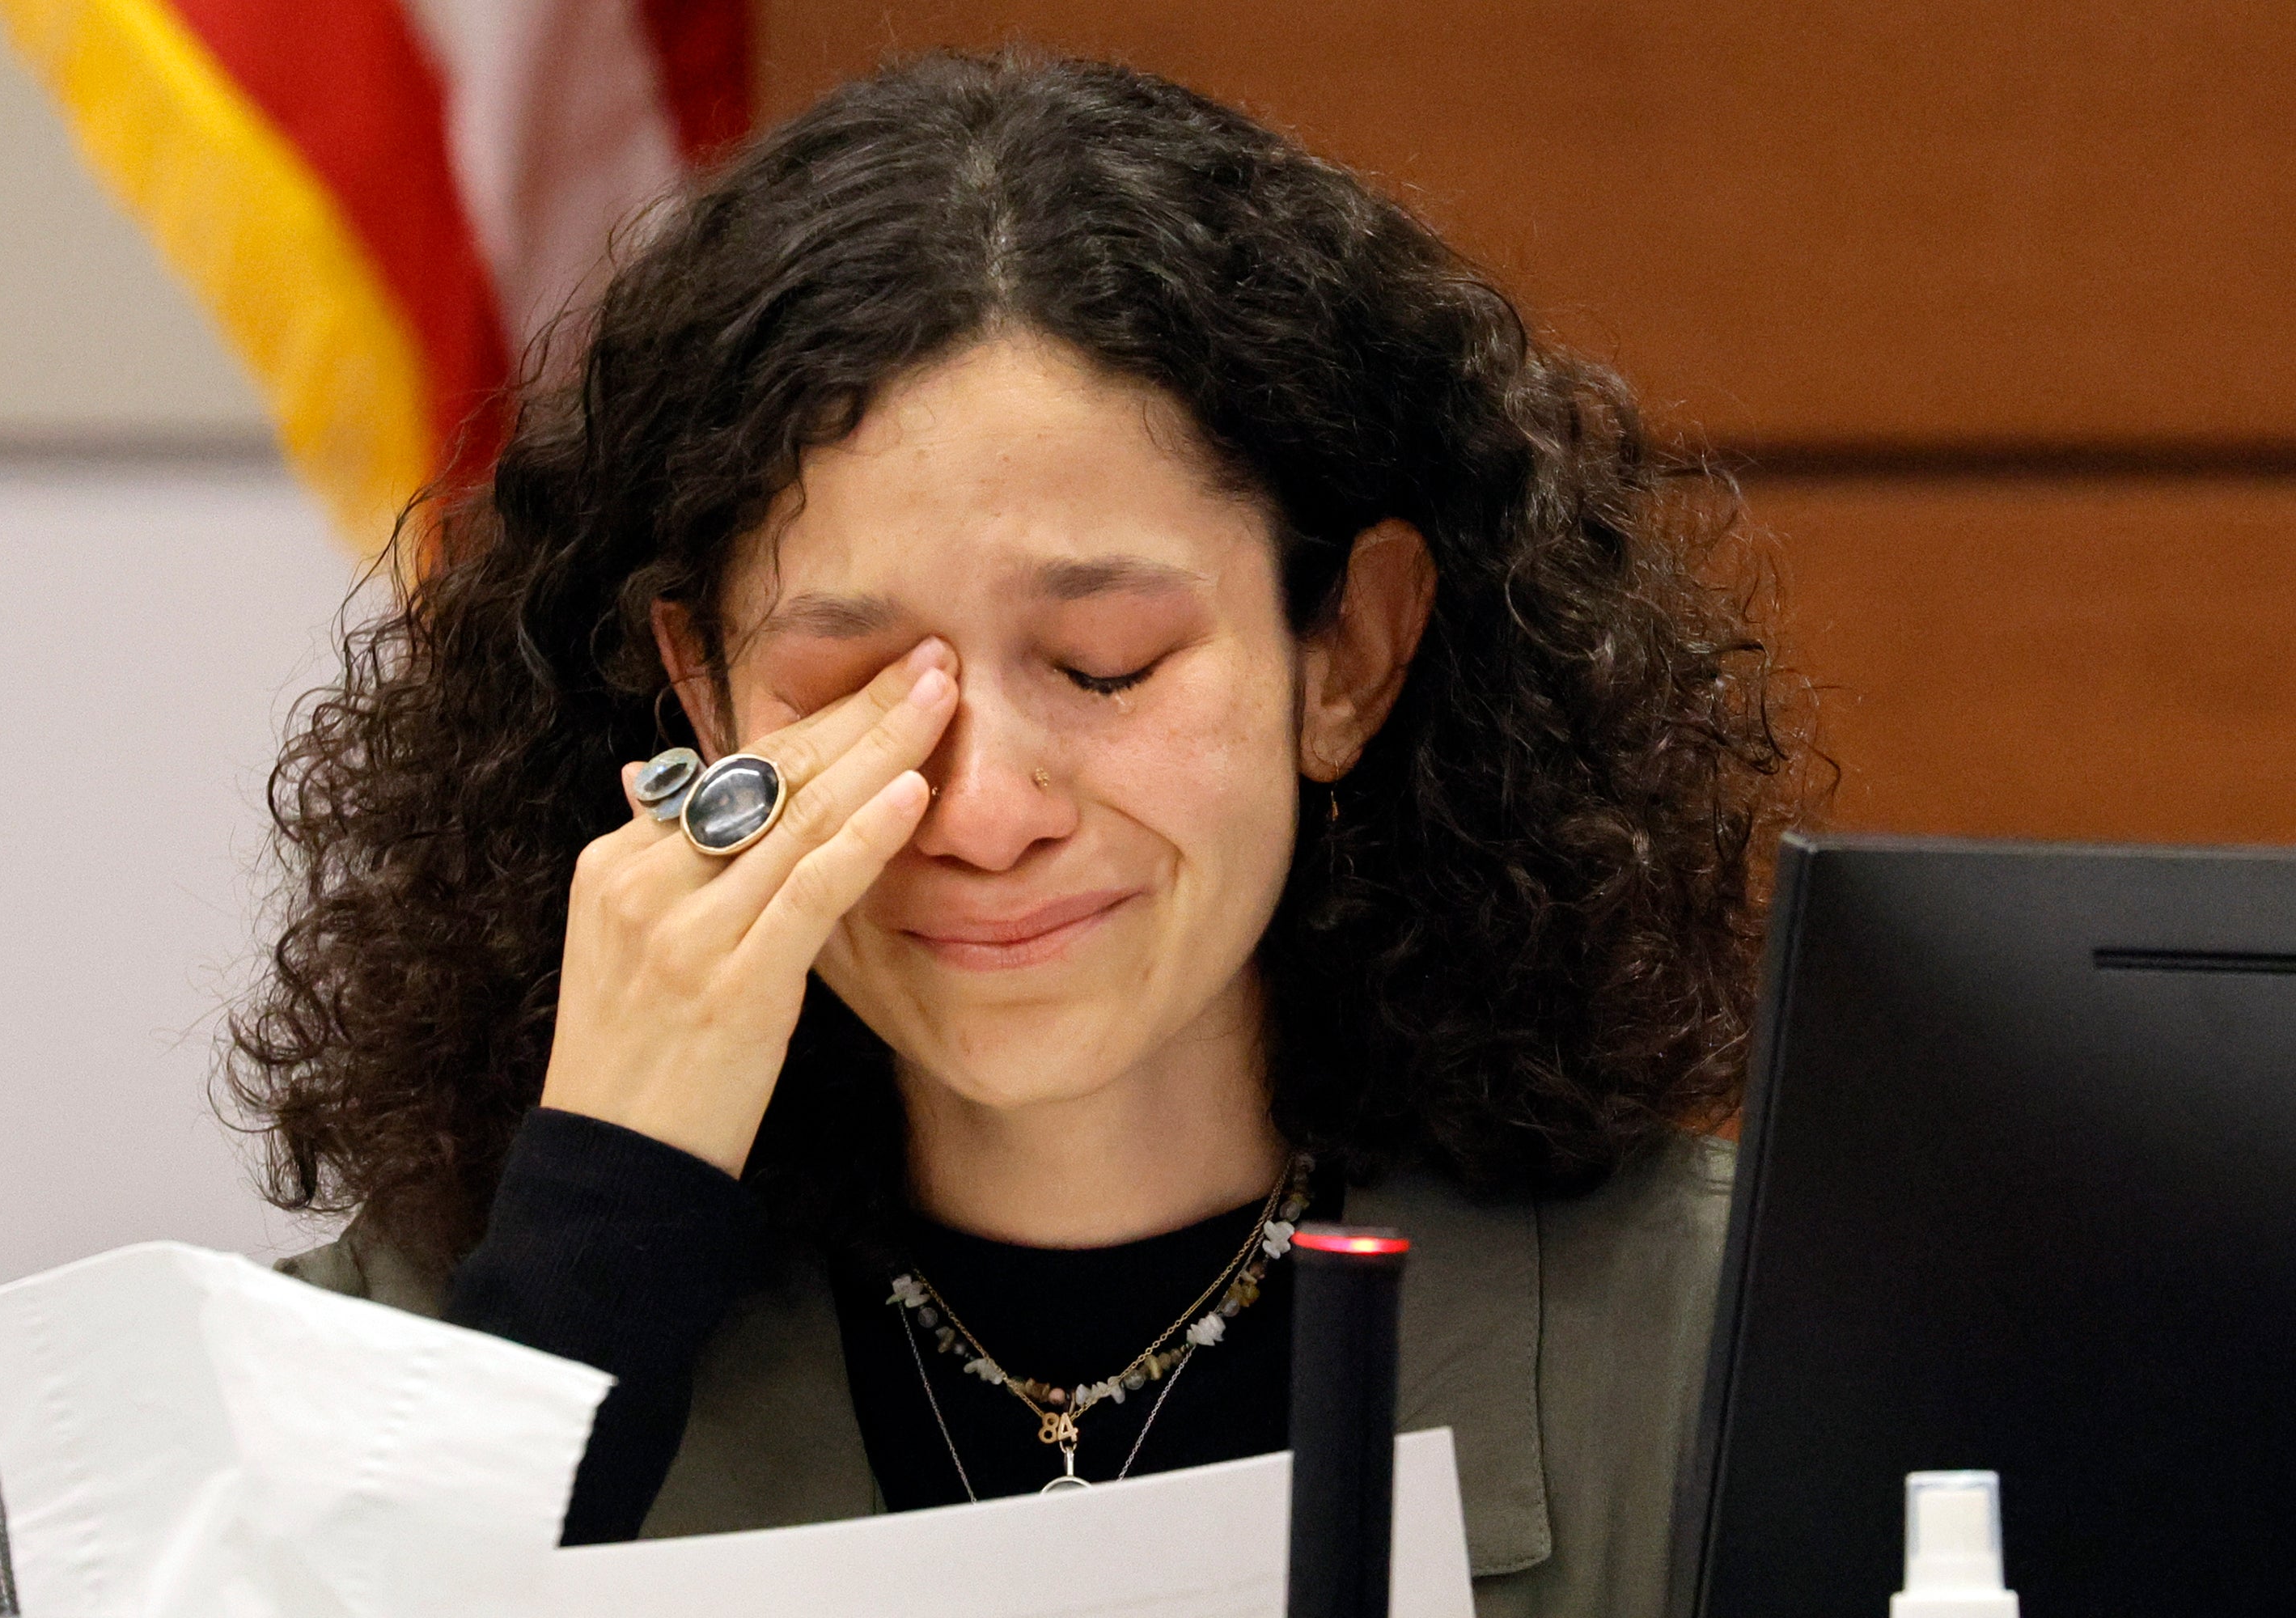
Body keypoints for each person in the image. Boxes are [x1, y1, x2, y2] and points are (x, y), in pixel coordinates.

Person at [234, 50, 1799, 1617]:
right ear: (703, 695)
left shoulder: (1741, 1345)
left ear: (1350, 655)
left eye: (1106, 662)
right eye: (848, 683)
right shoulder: (436, 1350)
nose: (982, 813)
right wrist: (601, 1223)